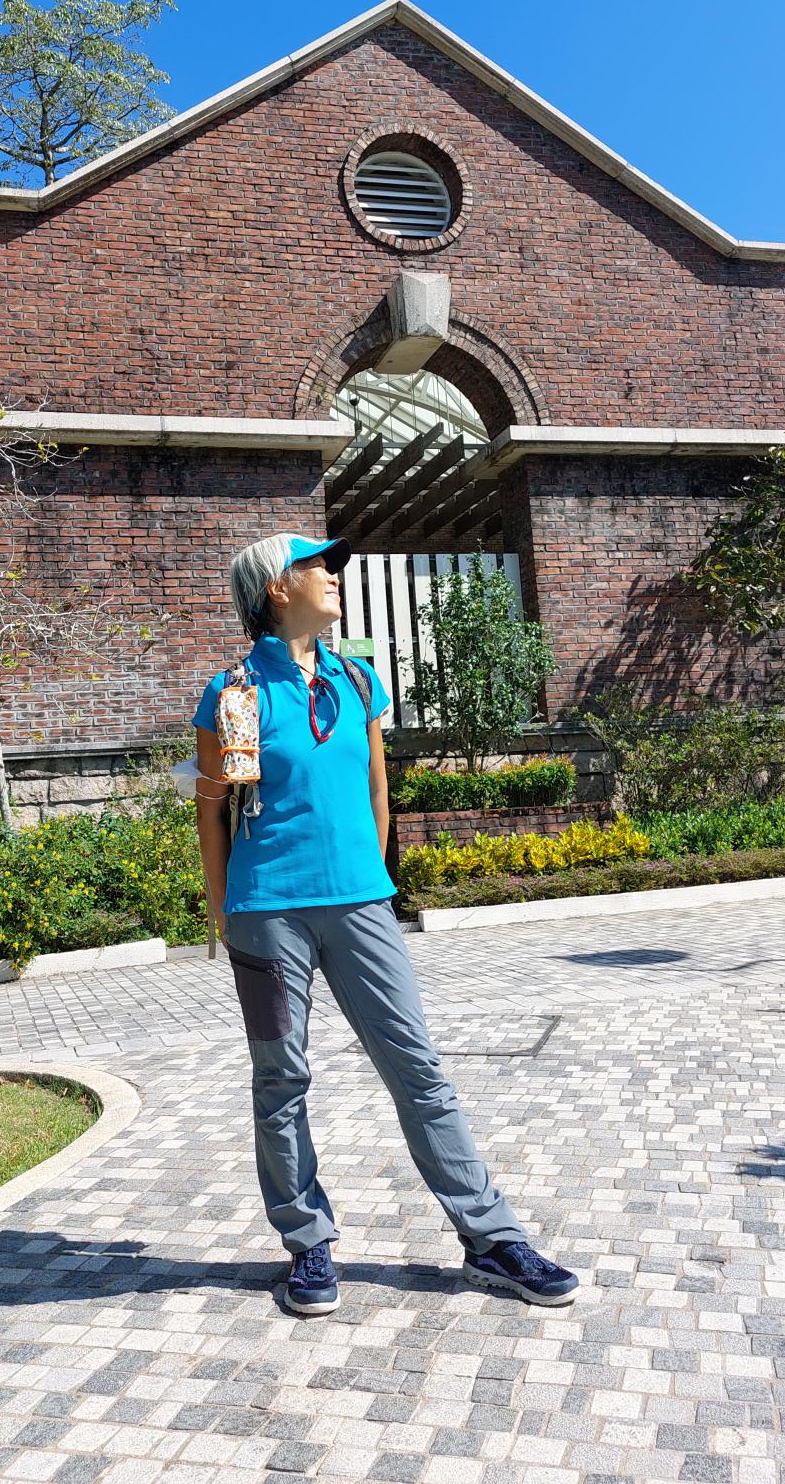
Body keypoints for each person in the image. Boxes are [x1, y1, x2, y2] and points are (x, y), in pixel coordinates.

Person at [191, 531, 579, 1317]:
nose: (332, 575)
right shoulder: (235, 694)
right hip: (266, 914)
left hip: (363, 906)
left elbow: (377, 793)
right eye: (314, 565)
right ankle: (307, 1243)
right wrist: (224, 909)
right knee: (281, 1078)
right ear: (275, 590)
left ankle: (492, 1239)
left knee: (418, 1068)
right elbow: (212, 809)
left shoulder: (357, 681)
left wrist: (371, 882)